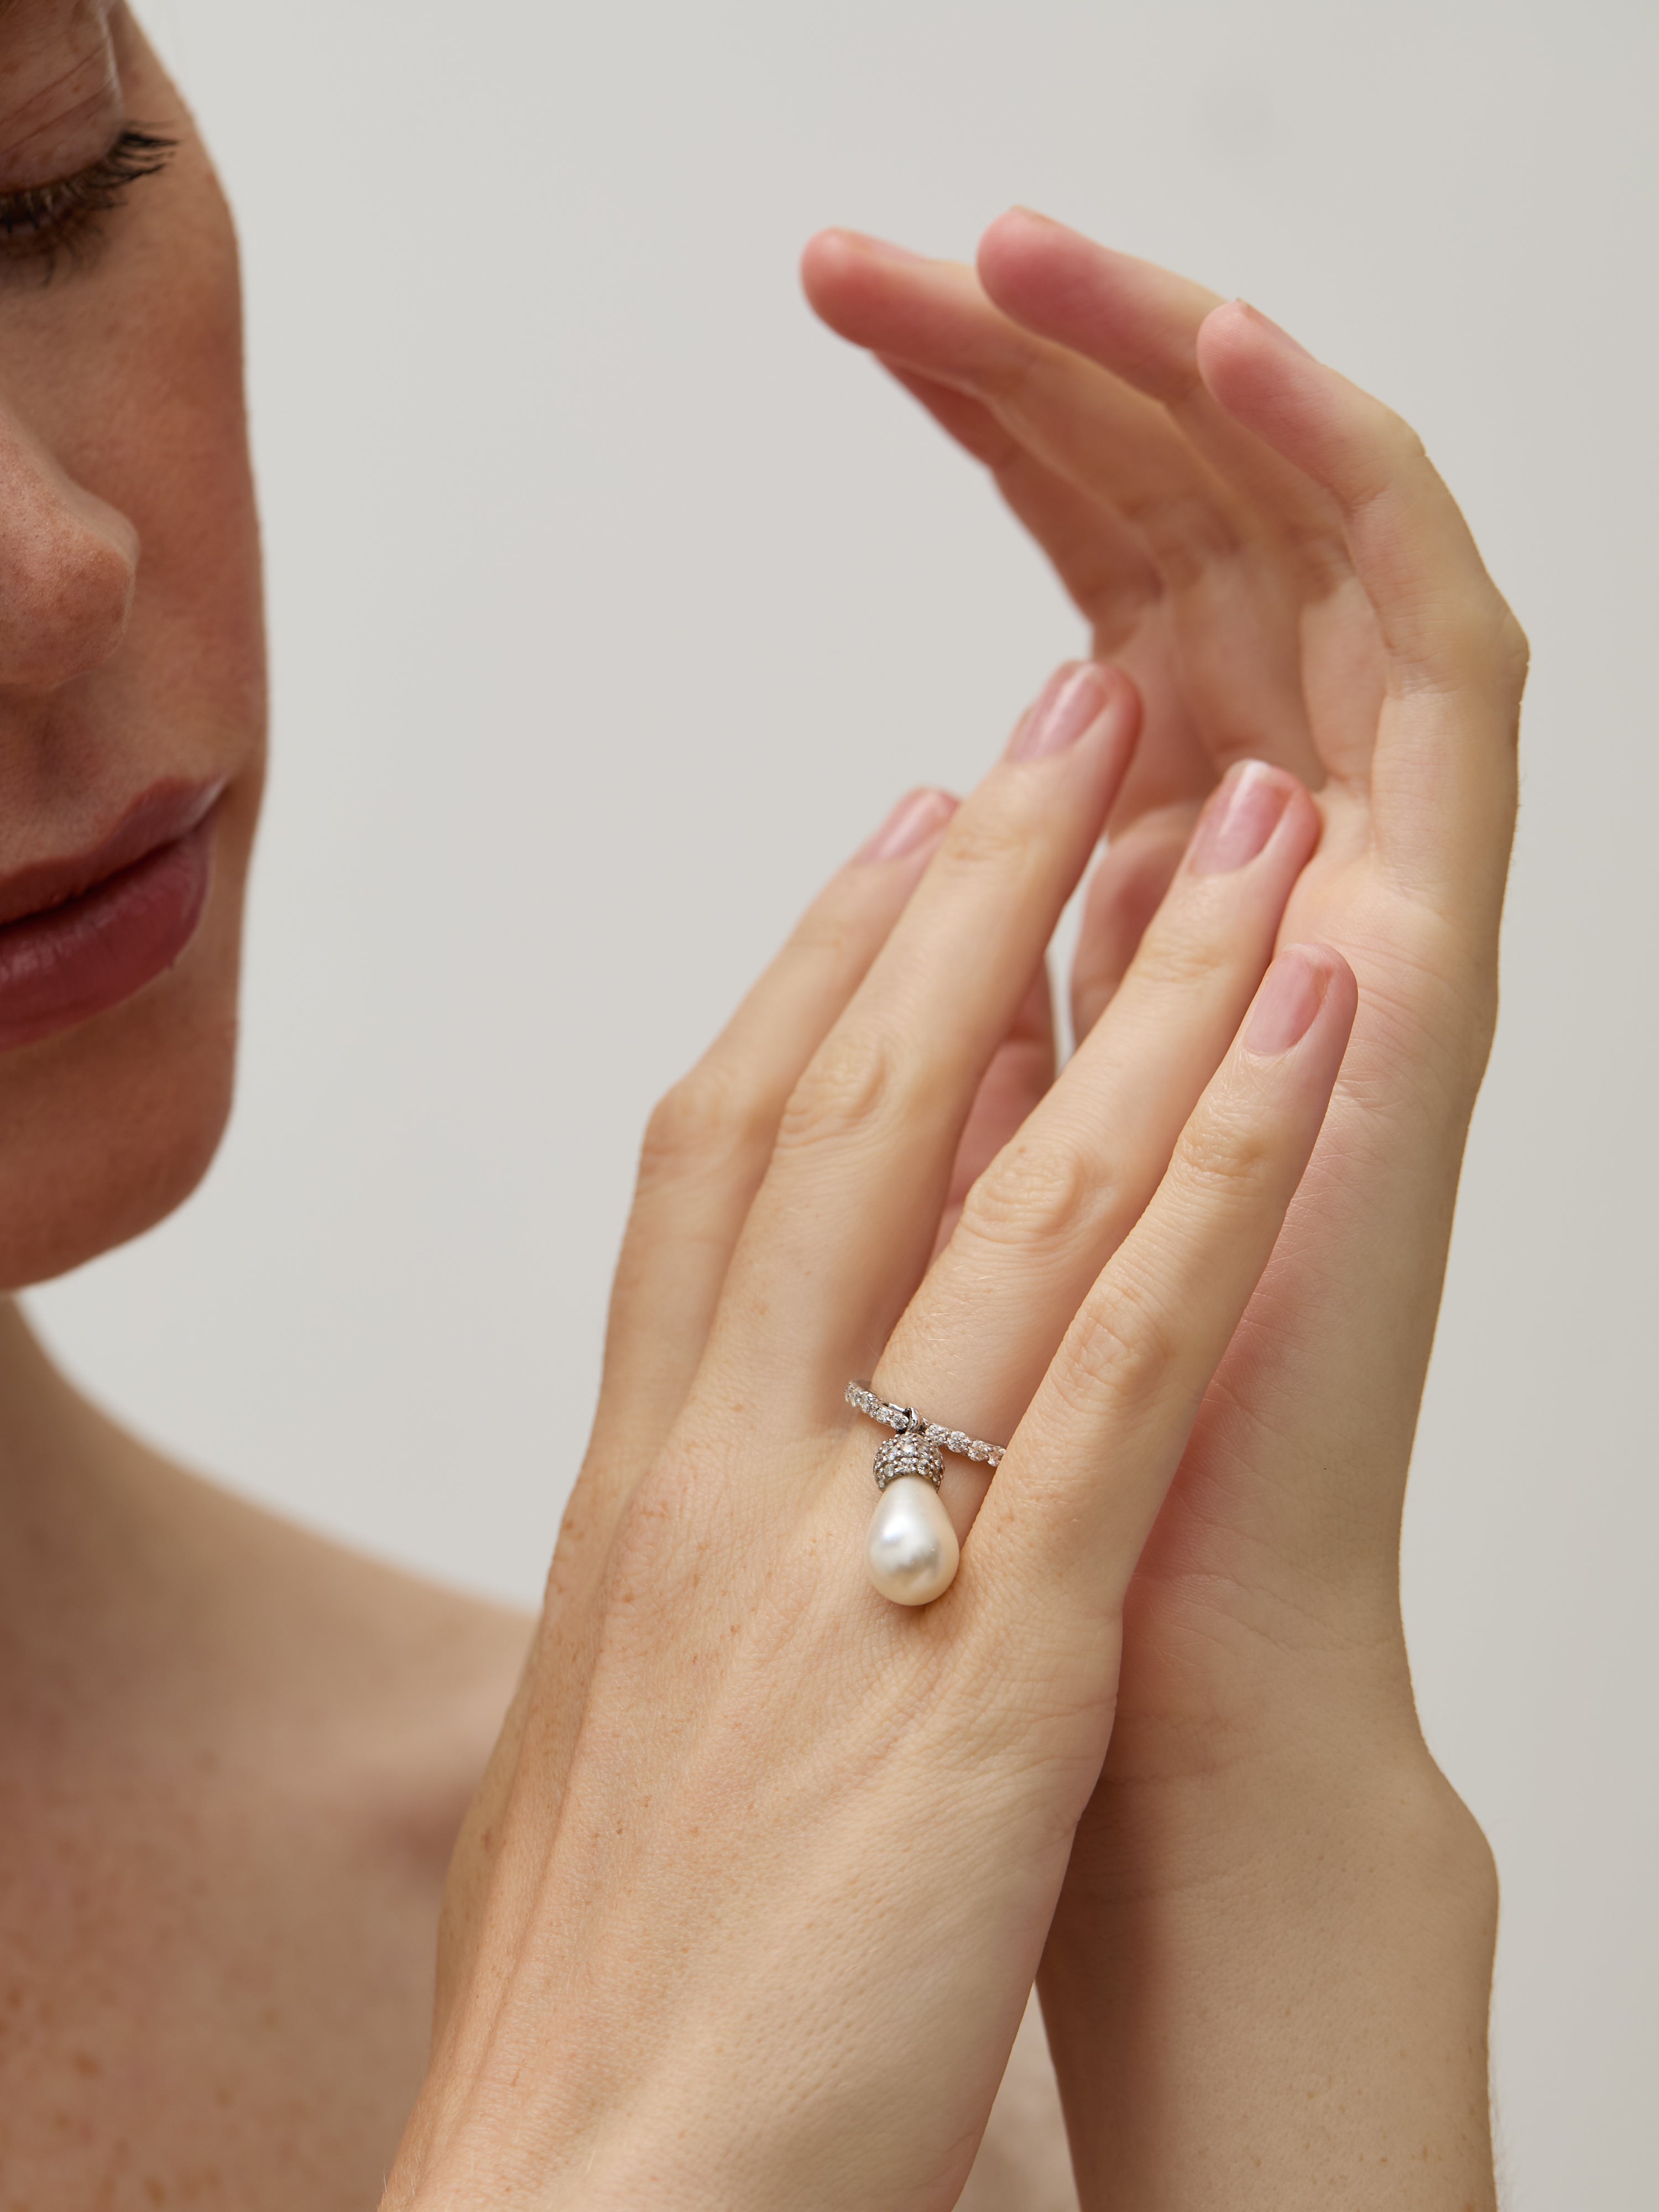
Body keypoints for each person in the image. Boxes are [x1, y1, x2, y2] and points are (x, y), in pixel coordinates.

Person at [0, 6, 1525, 2206]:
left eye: (50, 189)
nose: (53, 577)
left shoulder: (796, 1930)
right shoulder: (685, 2032)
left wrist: (1228, 1769)